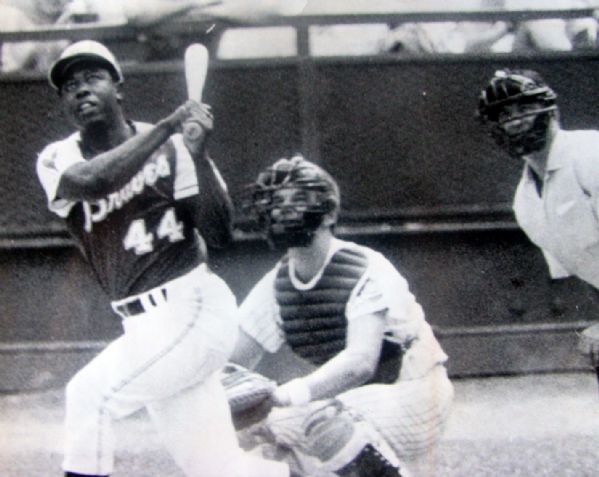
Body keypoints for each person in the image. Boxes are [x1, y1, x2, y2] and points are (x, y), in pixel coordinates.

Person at [36, 40, 293, 477]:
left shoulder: (176, 149)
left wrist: (197, 154)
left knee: (89, 396)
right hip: (142, 326)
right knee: (217, 468)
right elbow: (93, 181)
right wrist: (168, 128)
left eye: (92, 78)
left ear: (119, 89)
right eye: (69, 86)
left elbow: (219, 232)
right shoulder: (58, 158)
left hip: (192, 309)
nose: (80, 90)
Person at [230, 156, 453, 477]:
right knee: (247, 435)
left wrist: (288, 394)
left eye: (298, 199)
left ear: (329, 213)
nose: (284, 210)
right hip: (359, 401)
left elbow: (361, 362)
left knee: (324, 424)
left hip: (416, 391)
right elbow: (233, 362)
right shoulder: (276, 284)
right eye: (277, 201)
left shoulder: (363, 266)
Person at [477, 69, 599, 379]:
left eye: (525, 109)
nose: (515, 120)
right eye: (505, 114)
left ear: (552, 111)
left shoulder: (590, 154)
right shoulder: (526, 203)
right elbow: (590, 273)